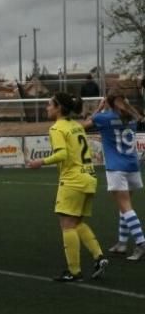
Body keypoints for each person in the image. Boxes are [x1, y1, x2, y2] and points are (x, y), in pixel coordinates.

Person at [26, 93, 108, 282]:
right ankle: (99, 256)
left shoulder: (57, 128)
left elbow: (62, 154)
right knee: (77, 222)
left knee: (66, 225)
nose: (46, 108)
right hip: (89, 177)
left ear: (58, 108)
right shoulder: (76, 126)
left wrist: (41, 161)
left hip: (73, 180)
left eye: (49, 105)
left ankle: (74, 271)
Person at [83, 93, 145, 260]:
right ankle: (122, 243)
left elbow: (83, 126)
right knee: (125, 207)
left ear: (108, 103)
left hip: (116, 168)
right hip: (133, 166)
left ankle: (141, 242)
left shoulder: (104, 118)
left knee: (125, 207)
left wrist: (98, 109)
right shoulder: (132, 116)